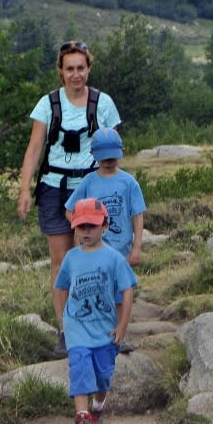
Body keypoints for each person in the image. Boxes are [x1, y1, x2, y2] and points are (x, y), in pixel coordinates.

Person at [17, 41, 121, 359]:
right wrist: (24, 189)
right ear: (61, 72)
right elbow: (35, 148)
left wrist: (117, 190)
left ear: (89, 69)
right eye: (69, 68)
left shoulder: (103, 104)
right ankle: (66, 332)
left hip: (91, 187)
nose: (76, 74)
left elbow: (114, 148)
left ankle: (108, 329)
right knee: (62, 263)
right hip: (54, 187)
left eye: (81, 68)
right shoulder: (48, 105)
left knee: (97, 261)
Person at [54, 198, 137, 424]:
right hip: (77, 326)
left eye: (92, 226)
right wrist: (64, 321)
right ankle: (81, 418)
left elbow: (127, 289)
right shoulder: (71, 258)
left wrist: (122, 325)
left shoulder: (114, 258)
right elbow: (61, 287)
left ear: (105, 226)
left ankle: (98, 407)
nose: (86, 231)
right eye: (81, 226)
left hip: (104, 328)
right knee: (79, 367)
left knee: (102, 377)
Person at [64, 127, 146, 354]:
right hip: (92, 250)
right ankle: (95, 334)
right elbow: (69, 210)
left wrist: (137, 246)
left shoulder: (129, 183)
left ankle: (119, 334)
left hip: (120, 250)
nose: (108, 162)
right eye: (103, 158)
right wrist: (82, 229)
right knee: (97, 290)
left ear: (121, 153)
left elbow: (137, 215)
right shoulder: (89, 182)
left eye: (112, 157)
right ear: (94, 156)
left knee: (120, 291)